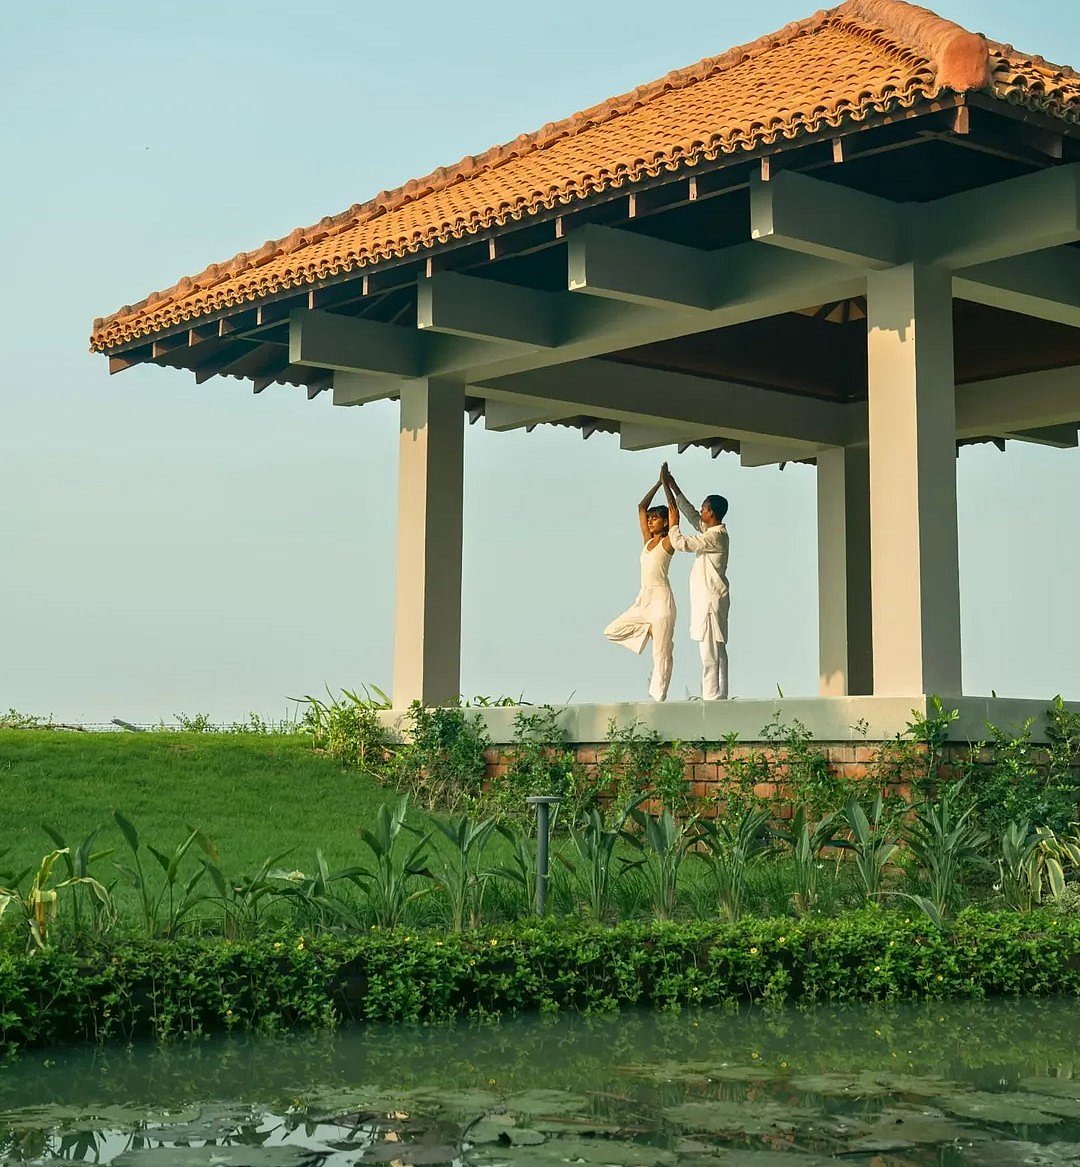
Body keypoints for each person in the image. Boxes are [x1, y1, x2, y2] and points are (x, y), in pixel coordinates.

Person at [661, 462, 730, 700]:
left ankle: (713, 696)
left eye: (704, 508)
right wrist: (672, 487)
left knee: (710, 652)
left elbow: (681, 543)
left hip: (710, 602)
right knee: (715, 650)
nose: (701, 511)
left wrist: (672, 521)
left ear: (711, 512)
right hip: (709, 600)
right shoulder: (712, 532)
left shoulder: (716, 537)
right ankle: (718, 694)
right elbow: (691, 514)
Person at [603, 478, 676, 702]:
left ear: (664, 523)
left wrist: (667, 485)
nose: (651, 521)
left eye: (656, 519)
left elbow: (673, 511)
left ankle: (658, 699)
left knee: (661, 654)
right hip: (643, 599)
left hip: (661, 600)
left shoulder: (668, 542)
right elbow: (641, 508)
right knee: (611, 630)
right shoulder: (647, 541)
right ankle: (647, 631)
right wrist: (656, 484)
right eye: (650, 519)